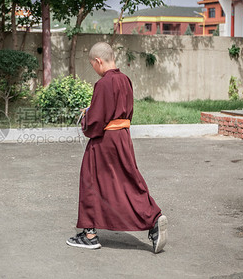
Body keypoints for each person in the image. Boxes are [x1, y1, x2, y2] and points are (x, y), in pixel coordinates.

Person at [66, 42, 168, 253]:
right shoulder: (125, 80)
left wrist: (86, 117)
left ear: (98, 61)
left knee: (90, 180)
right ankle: (153, 218)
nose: (94, 69)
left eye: (92, 65)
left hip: (105, 141)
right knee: (127, 181)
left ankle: (90, 235)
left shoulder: (104, 84)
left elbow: (95, 122)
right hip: (122, 137)